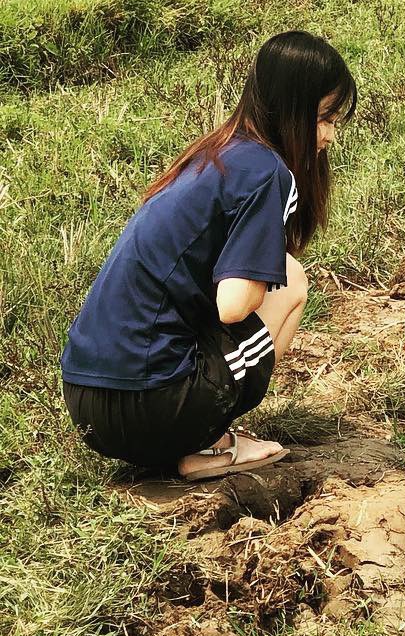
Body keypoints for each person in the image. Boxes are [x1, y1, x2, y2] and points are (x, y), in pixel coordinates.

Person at [61, 30, 356, 481]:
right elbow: (234, 304)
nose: (330, 136)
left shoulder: (216, 154)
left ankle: (193, 433)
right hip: (148, 407)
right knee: (290, 281)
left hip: (84, 399)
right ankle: (210, 442)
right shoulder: (266, 172)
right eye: (324, 118)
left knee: (276, 273)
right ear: (294, 112)